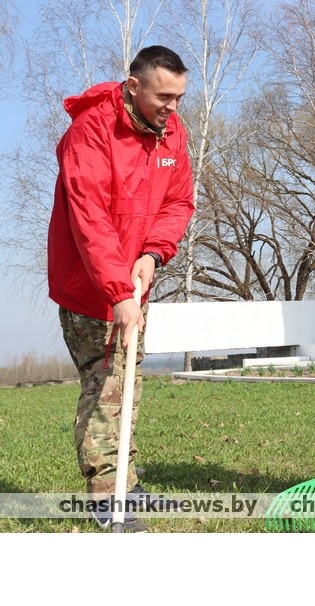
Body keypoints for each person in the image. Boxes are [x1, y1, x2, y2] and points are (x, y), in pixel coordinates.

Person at [47, 45, 195, 531]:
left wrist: (153, 254)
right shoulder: (88, 133)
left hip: (133, 282)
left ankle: (127, 487)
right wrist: (118, 293)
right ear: (133, 86)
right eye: (163, 96)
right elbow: (90, 220)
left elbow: (179, 202)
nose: (172, 107)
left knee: (125, 382)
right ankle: (108, 500)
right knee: (106, 386)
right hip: (90, 287)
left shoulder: (172, 134)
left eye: (178, 97)